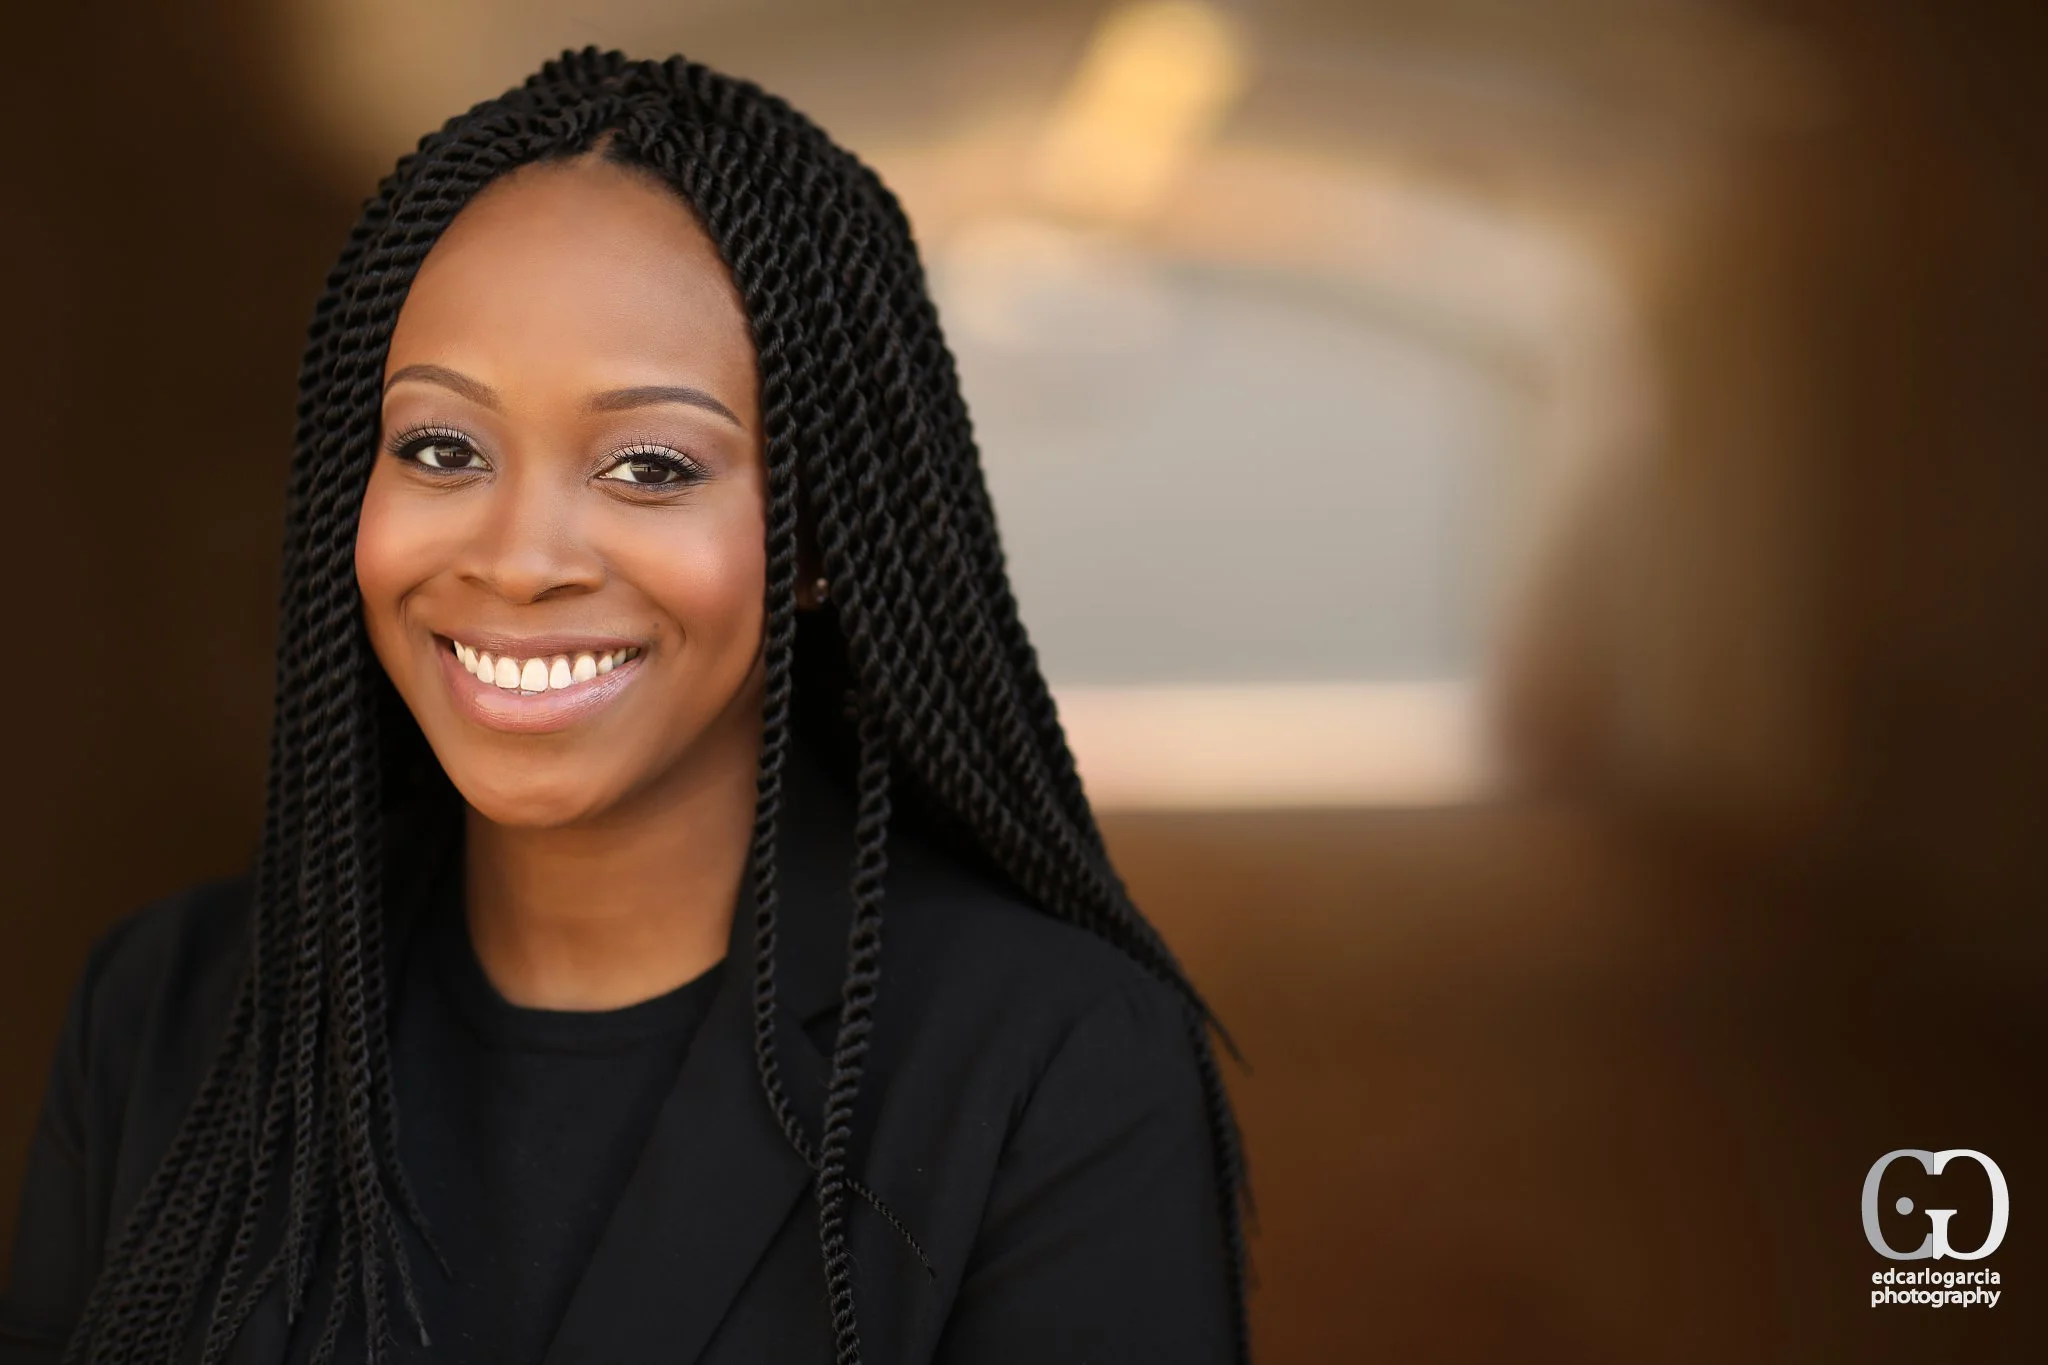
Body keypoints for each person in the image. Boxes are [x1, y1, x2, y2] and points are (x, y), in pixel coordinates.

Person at [0, 46, 1247, 1365]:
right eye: (442, 449)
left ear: (823, 536)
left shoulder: (1054, 1066)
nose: (521, 557)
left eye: (649, 466)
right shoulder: (164, 1011)